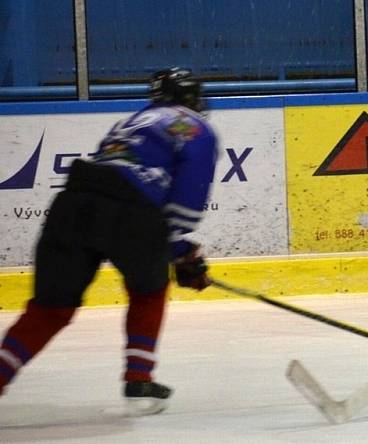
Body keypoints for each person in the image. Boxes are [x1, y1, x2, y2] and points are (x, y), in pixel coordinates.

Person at [0, 67, 218, 415]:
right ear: (191, 98)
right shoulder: (196, 127)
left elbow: (114, 181)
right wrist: (180, 251)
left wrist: (173, 250)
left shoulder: (134, 121)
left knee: (50, 308)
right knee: (149, 290)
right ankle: (139, 382)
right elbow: (186, 199)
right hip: (132, 209)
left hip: (73, 199)